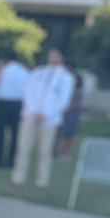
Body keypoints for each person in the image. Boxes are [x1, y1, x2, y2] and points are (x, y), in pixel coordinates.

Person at [10, 47, 76, 190]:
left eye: (55, 55)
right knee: (23, 148)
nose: (52, 57)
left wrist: (45, 113)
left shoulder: (66, 78)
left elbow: (63, 100)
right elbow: (28, 91)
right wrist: (34, 110)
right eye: (50, 54)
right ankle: (18, 177)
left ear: (61, 57)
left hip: (49, 119)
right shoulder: (38, 72)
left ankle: (42, 181)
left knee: (45, 151)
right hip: (30, 115)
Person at [0, 51, 30, 169]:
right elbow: (27, 90)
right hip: (17, 104)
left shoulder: (2, 70)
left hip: (3, 102)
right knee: (15, 134)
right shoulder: (25, 72)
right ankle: (11, 160)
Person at [57, 64, 84, 161]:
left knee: (69, 134)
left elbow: (76, 102)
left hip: (71, 113)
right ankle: (61, 152)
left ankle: (67, 153)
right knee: (63, 134)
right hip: (66, 112)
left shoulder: (78, 90)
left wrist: (66, 109)